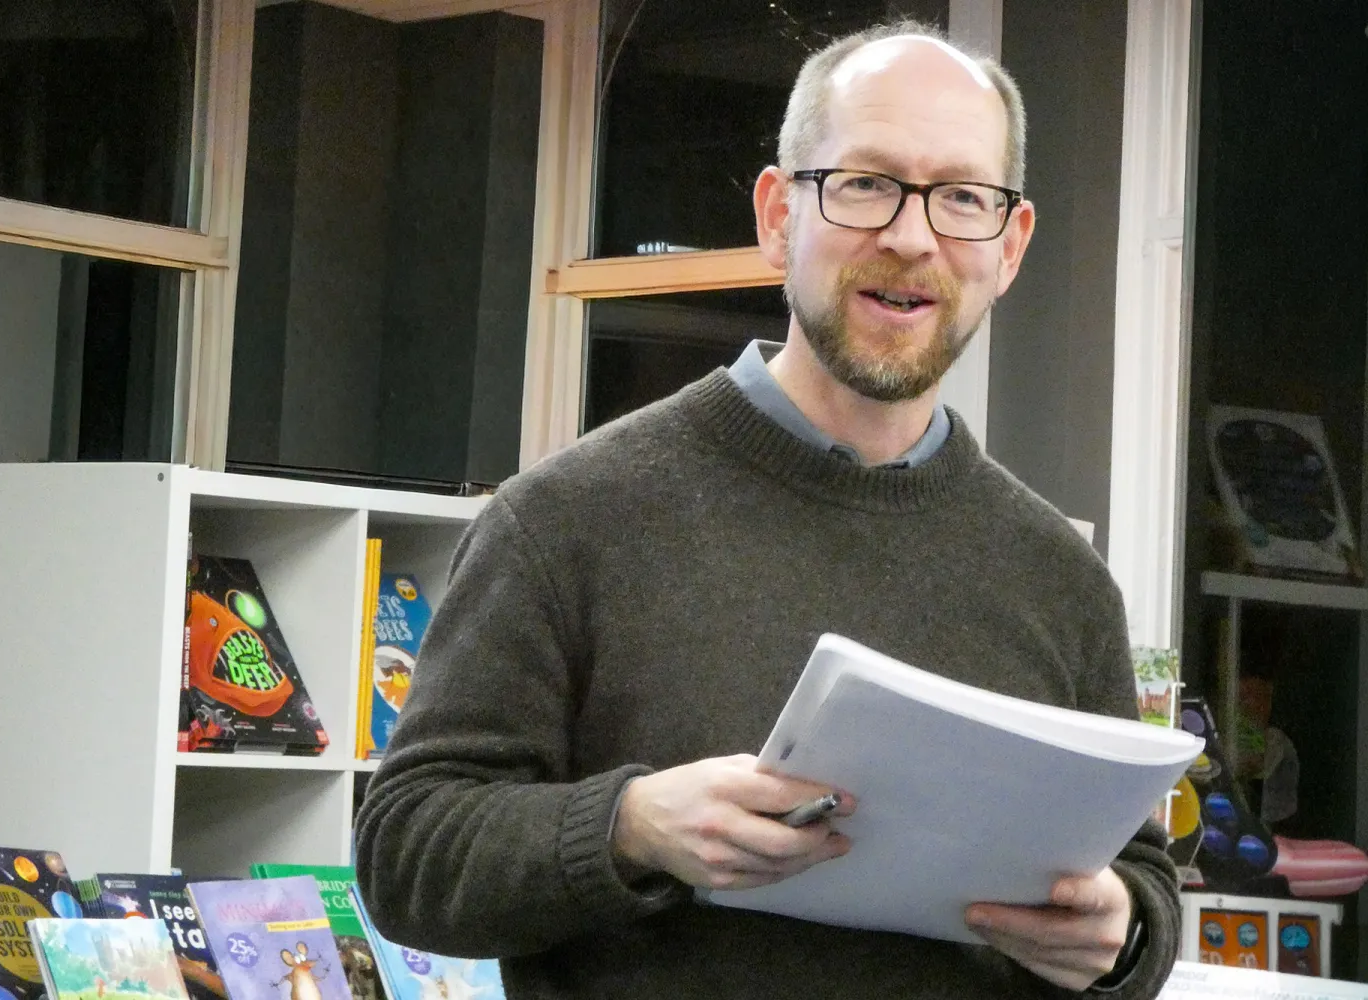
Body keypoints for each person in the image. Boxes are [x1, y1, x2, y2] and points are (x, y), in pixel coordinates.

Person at [355, 19, 1180, 1000]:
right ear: (779, 214)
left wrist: (1123, 936)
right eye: (867, 183)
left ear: (1009, 245)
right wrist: (630, 826)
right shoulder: (567, 522)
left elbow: (1138, 878)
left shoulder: (1062, 580)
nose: (912, 236)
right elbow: (406, 847)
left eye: (963, 197)